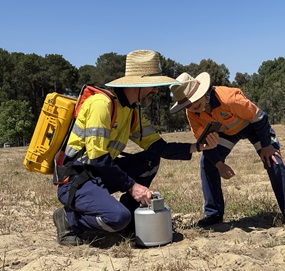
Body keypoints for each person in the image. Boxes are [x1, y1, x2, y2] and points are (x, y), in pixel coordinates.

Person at [52, 50, 219, 246]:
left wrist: (197, 146)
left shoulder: (131, 111)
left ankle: (129, 215)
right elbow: (97, 158)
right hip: (77, 180)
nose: (156, 91)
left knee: (150, 160)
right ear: (139, 84)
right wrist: (133, 187)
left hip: (99, 174)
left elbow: (158, 147)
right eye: (153, 86)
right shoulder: (101, 105)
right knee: (117, 219)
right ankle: (68, 219)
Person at [169, 72, 285, 229]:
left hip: (253, 126)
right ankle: (213, 213)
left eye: (193, 100)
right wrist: (219, 164)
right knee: (207, 163)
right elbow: (204, 143)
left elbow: (259, 117)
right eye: (186, 104)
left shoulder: (228, 97)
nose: (191, 106)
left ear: (202, 91)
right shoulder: (192, 112)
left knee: (273, 160)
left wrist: (266, 145)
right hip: (226, 133)